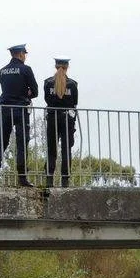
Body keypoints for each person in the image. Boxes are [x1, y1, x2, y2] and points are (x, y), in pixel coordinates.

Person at [0, 44, 38, 187]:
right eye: (25, 53)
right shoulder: (26, 69)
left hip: (5, 109)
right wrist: (27, 92)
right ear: (21, 54)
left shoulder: (2, 71)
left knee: (1, 142)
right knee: (22, 143)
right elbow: (35, 91)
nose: (25, 56)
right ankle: (22, 177)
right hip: (20, 109)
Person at [43, 58, 79, 188]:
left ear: (55, 66)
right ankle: (65, 179)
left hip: (52, 118)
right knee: (66, 150)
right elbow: (74, 103)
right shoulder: (73, 84)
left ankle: (49, 178)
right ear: (67, 67)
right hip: (67, 120)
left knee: (51, 149)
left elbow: (47, 100)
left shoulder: (47, 83)